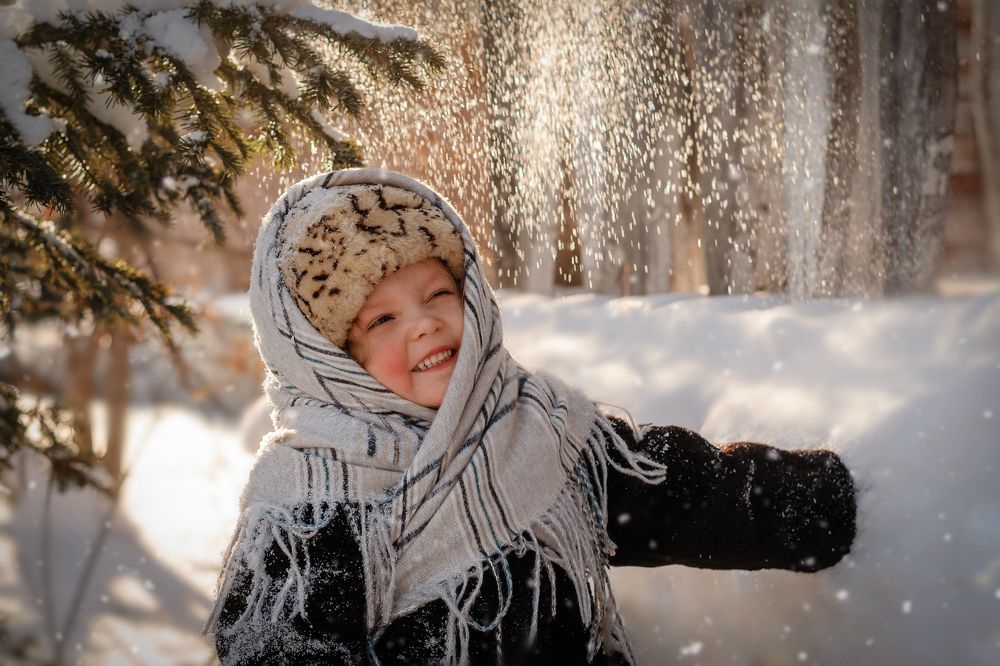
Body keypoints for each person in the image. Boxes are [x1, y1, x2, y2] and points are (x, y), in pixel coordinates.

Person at [204, 168, 857, 665]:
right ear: (330, 362)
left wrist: (831, 501)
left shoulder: (534, 433)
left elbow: (683, 495)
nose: (424, 323)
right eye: (382, 319)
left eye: (439, 293)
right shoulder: (307, 512)